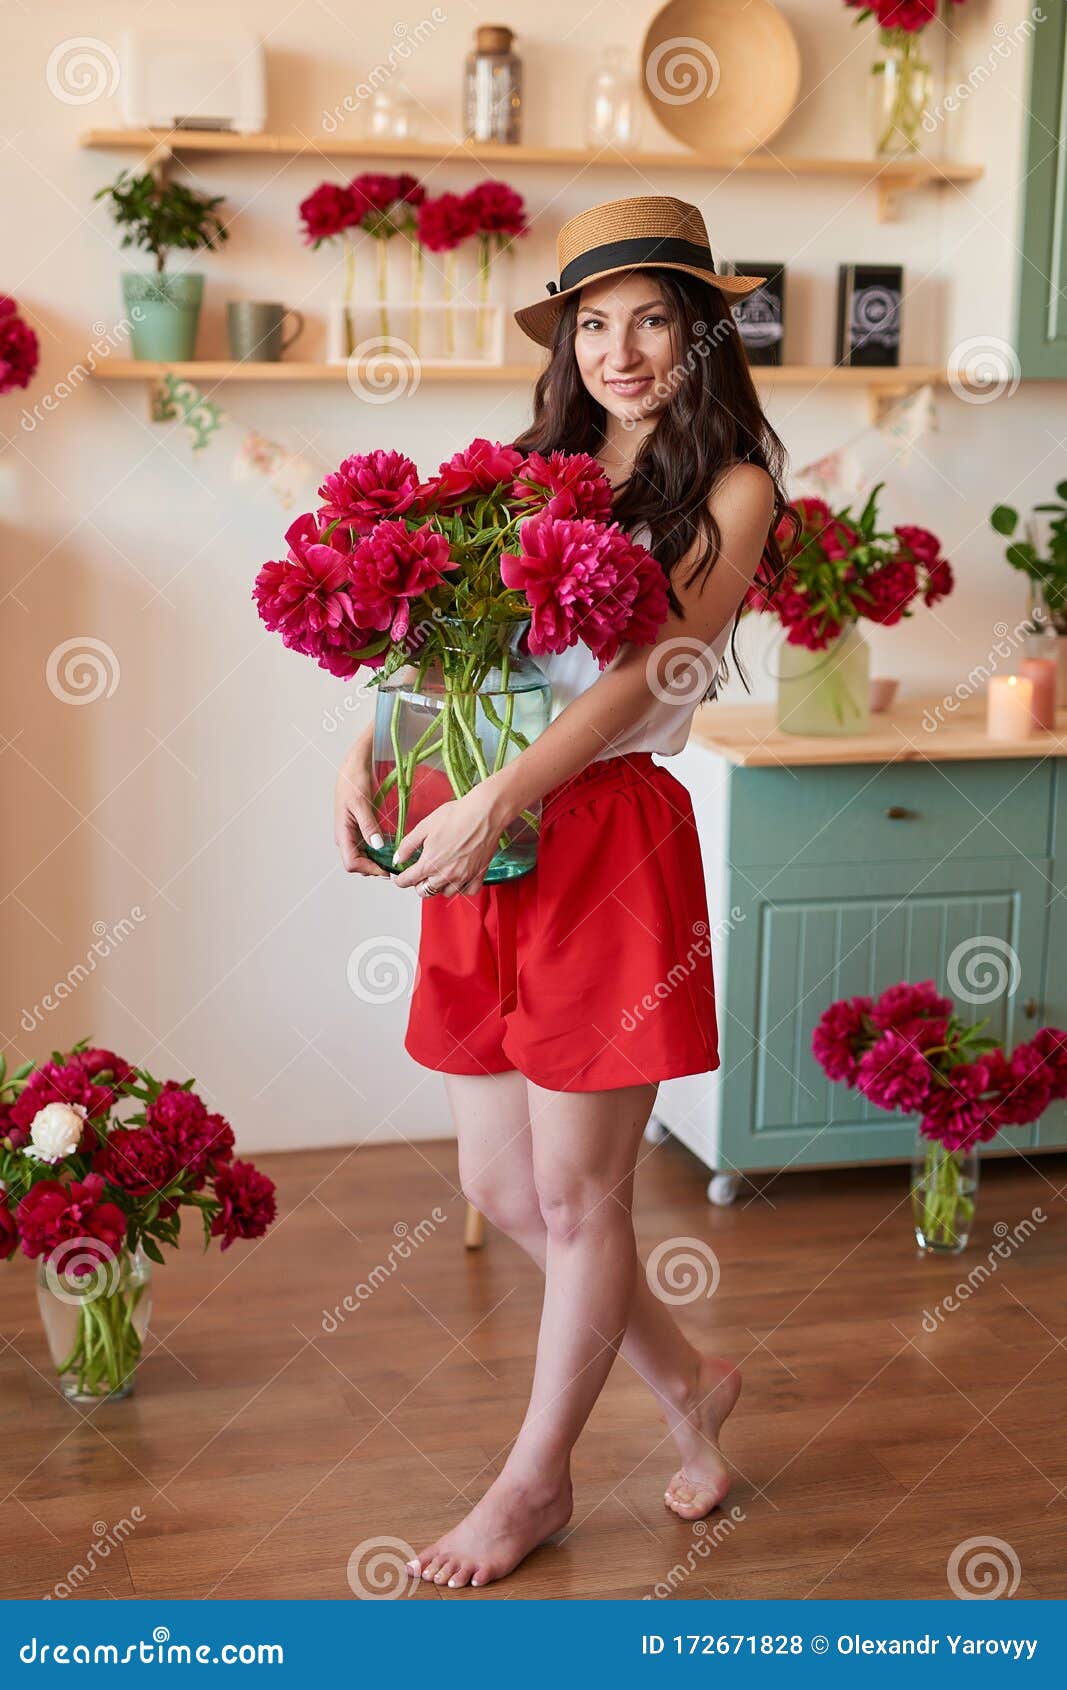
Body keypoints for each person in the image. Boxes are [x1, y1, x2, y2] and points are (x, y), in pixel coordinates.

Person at [334, 195, 796, 1590]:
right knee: (505, 1185)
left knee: (581, 1194)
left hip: (597, 844)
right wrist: (362, 750)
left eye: (654, 317)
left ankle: (533, 1484)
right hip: (483, 832)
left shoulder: (736, 488)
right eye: (594, 323)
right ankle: (690, 1385)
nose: (622, 349)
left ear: (702, 329)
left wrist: (504, 796)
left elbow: (648, 674)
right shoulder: (529, 468)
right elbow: (436, 634)